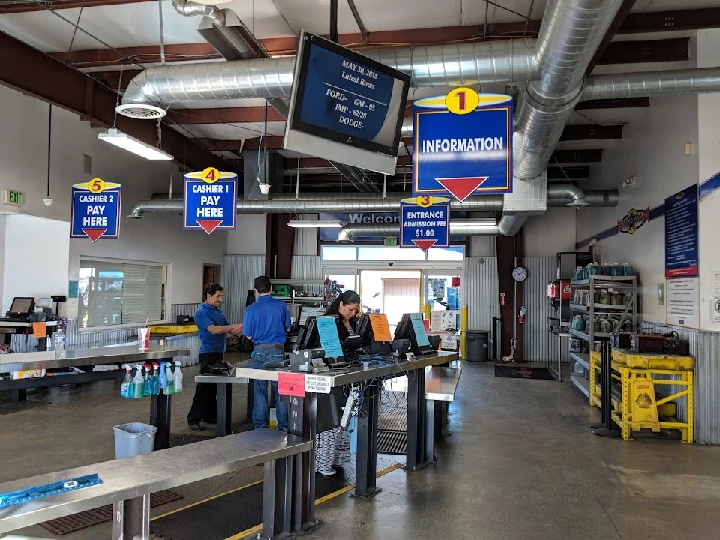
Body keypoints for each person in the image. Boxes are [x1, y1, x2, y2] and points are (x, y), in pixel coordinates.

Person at [315, 290, 361, 476]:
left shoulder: (352, 322)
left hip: (345, 372)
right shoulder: (329, 322)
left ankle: (338, 459)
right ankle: (323, 463)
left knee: (343, 421)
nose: (352, 313)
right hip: (329, 375)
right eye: (350, 309)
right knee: (330, 422)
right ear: (340, 304)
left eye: (355, 310)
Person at [187, 284, 243, 432]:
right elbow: (213, 330)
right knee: (204, 387)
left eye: (221, 296)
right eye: (218, 296)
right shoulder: (201, 312)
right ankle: (193, 418)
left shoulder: (217, 311)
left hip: (218, 352)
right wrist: (232, 328)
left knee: (213, 386)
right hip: (208, 353)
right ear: (208, 295)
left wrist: (243, 329)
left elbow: (228, 327)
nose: (220, 299)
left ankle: (209, 415)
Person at [243, 276, 291, 431]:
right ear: (271, 288)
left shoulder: (251, 309)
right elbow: (288, 328)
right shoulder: (281, 305)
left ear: (256, 291)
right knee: (281, 390)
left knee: (260, 389)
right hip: (278, 351)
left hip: (259, 350)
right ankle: (283, 426)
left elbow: (248, 335)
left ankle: (261, 426)